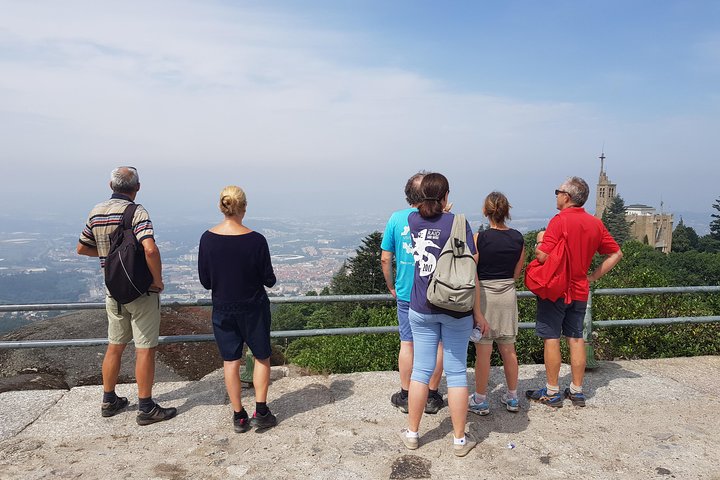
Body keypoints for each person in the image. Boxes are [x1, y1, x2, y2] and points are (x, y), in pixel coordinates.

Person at [77, 166, 177, 425]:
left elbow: (81, 248)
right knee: (145, 349)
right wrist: (157, 281)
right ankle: (146, 407)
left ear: (111, 186)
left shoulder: (96, 211)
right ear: (138, 187)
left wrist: (107, 255)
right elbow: (150, 250)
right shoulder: (137, 211)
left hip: (113, 291)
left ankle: (108, 400)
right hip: (141, 291)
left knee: (115, 346)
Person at [400, 172, 489, 457]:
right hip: (456, 307)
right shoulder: (458, 223)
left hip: (421, 306)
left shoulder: (413, 221)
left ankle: (413, 434)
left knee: (421, 372)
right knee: (457, 373)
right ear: (446, 196)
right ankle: (460, 440)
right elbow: (471, 264)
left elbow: (425, 215)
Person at [526, 177, 623, 407]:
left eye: (558, 191)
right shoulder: (595, 224)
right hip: (580, 289)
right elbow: (616, 254)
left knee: (551, 337)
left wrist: (537, 245)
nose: (557, 195)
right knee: (576, 338)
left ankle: (552, 392)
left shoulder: (559, 221)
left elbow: (543, 256)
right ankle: (577, 391)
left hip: (556, 289)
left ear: (566, 197)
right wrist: (592, 277)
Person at [198, 185, 277, 433]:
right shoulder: (256, 240)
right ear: (244, 207)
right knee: (262, 356)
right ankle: (262, 411)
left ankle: (239, 415)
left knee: (231, 361)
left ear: (222, 207)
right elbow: (269, 280)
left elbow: (205, 281)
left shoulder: (207, 238)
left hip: (223, 307)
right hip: (253, 307)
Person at [381, 172, 444, 415]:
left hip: (406, 292)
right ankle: (432, 395)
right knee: (437, 344)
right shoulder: (444, 219)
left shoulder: (396, 219)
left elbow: (386, 258)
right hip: (437, 293)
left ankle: (406, 394)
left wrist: (391, 286)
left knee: (407, 343)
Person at [468, 192, 525, 415]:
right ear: (506, 211)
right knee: (508, 349)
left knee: (484, 351)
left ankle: (480, 400)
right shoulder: (518, 238)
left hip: (485, 297)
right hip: (508, 296)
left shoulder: (479, 239)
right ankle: (512, 397)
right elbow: (516, 273)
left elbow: (472, 272)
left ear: (486, 211)